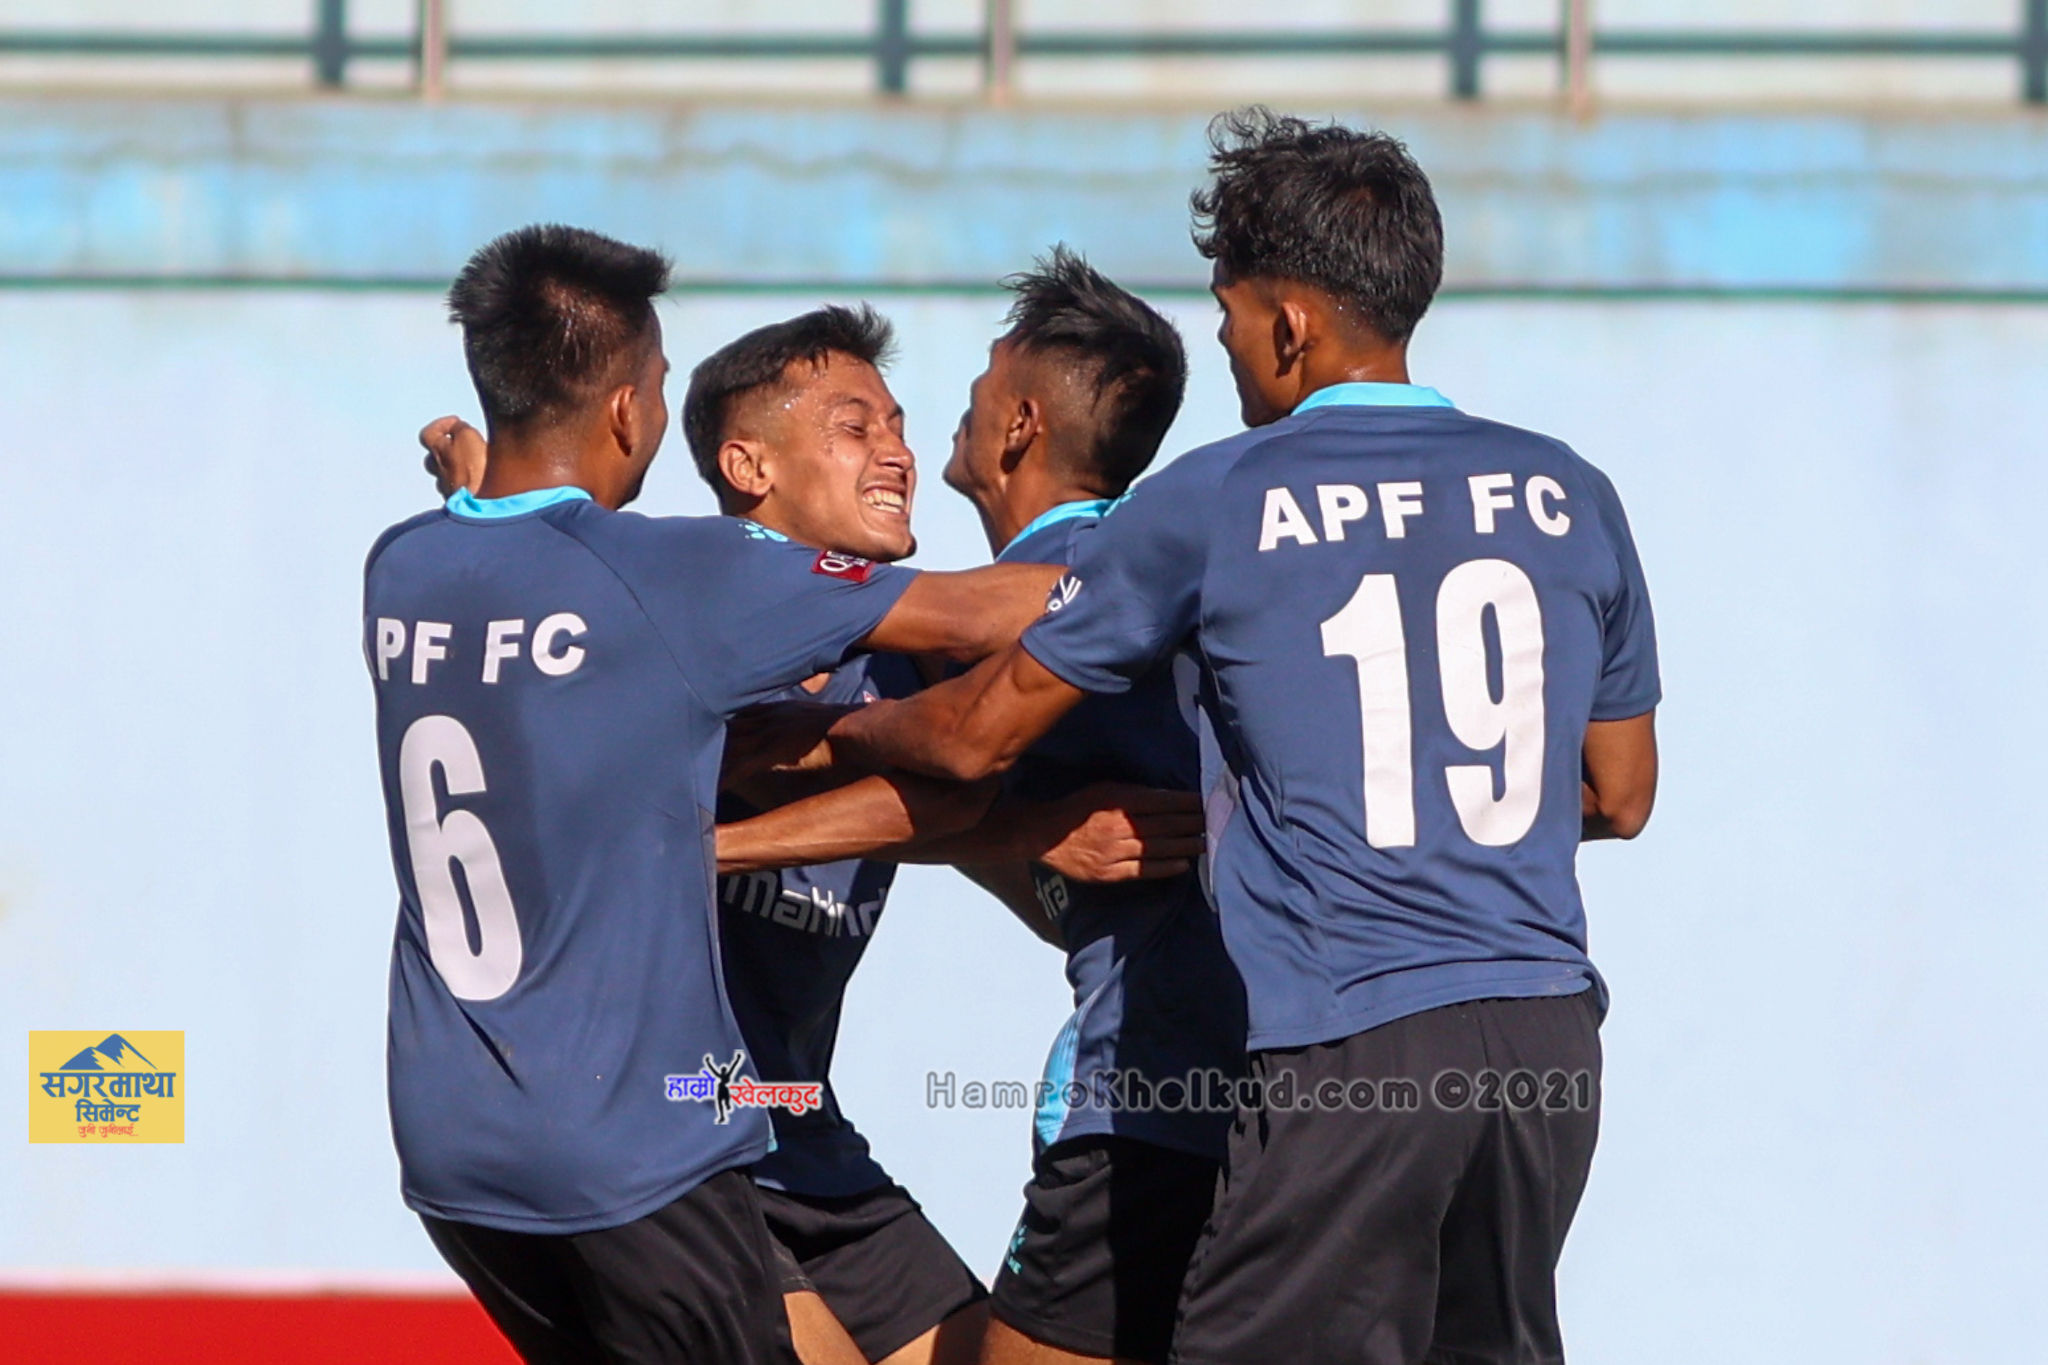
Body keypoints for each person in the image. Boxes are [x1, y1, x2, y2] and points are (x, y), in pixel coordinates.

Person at [816, 110, 1662, 1365]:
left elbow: (972, 739)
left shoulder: (1218, 496)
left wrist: (813, 733)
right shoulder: (1567, 490)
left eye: (1226, 316)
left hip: (1347, 1043)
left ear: (1288, 325)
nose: (1224, 349)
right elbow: (1619, 791)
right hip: (1546, 1042)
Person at [419, 301, 1204, 1365]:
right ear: (747, 465)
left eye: (898, 424)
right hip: (670, 1136)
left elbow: (946, 787)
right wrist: (489, 506)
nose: (897, 452)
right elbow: (927, 741)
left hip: (792, 1119)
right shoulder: (675, 608)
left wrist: (1030, 831)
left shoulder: (900, 654)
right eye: (854, 428)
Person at [936, 248, 1246, 1365]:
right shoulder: (1196, 575)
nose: (962, 405)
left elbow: (909, 760)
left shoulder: (1042, 602)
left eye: (981, 384)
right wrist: (1025, 837)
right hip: (1282, 1098)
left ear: (1019, 426)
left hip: (1146, 1094)